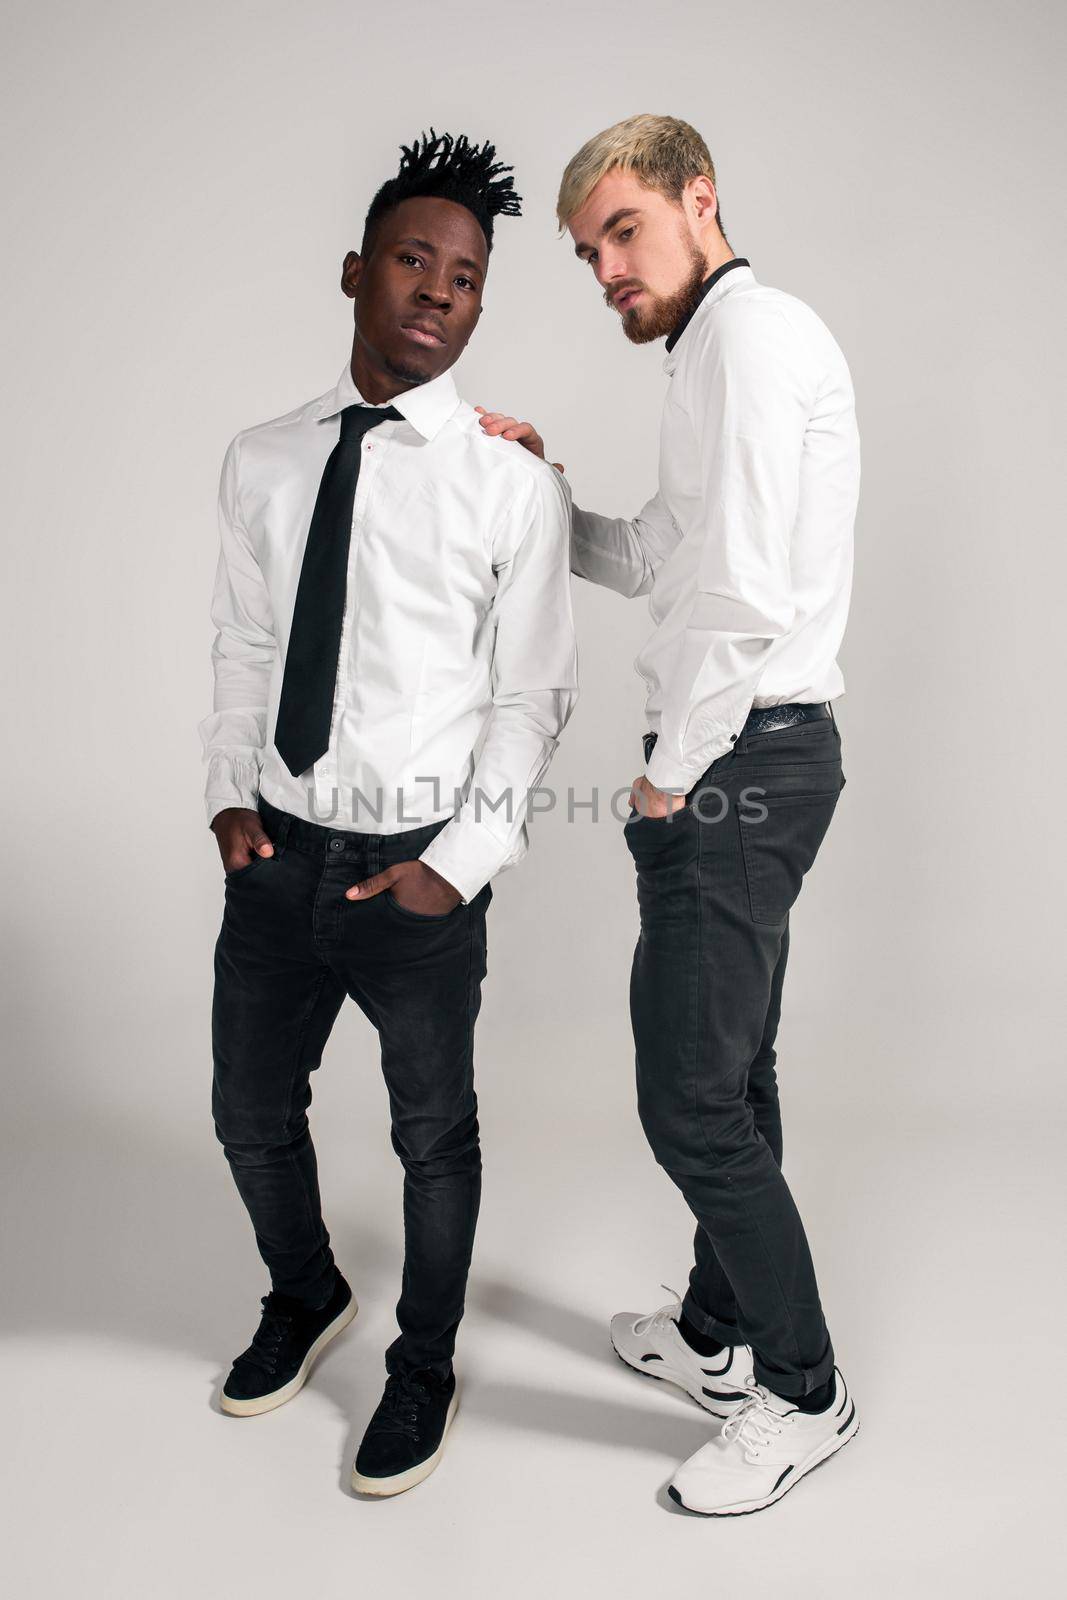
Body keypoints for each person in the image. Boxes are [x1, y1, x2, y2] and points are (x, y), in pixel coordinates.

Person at [477, 113, 860, 1516]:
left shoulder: (751, 343)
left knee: (689, 1100)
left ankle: (805, 1391)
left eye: (623, 233)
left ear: (704, 202)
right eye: (589, 255)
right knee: (734, 1070)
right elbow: (660, 553)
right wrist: (546, 497)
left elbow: (743, 596)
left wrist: (668, 775)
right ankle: (715, 1336)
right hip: (748, 755)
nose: (606, 271)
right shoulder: (711, 358)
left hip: (738, 761)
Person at [199, 130, 578, 1498]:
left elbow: (532, 698)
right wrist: (229, 800)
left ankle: (426, 1363)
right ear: (357, 270)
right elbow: (248, 645)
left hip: (415, 879)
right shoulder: (262, 459)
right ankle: (304, 1295)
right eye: (415, 259)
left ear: (480, 305)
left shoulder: (507, 478)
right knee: (249, 1111)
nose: (437, 290)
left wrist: (459, 865)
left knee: (434, 1135)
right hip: (275, 863)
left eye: (466, 276)